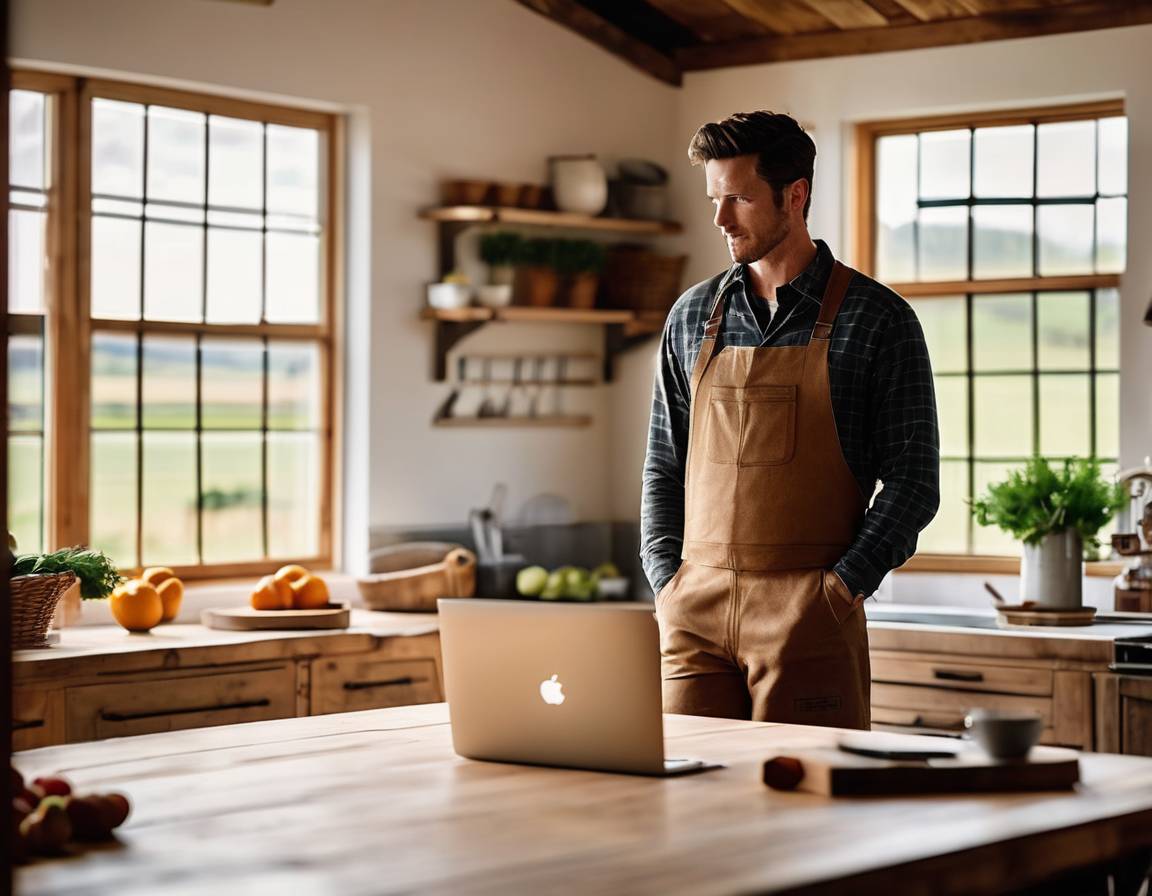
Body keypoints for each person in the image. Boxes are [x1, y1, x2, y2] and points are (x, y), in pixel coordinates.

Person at [640, 111, 940, 728]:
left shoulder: (879, 320)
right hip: (691, 616)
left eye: (741, 198)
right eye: (714, 199)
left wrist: (838, 592)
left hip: (809, 617)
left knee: (805, 808)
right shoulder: (691, 316)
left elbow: (913, 483)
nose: (721, 220)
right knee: (687, 805)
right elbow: (663, 464)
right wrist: (666, 582)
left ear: (795, 195)